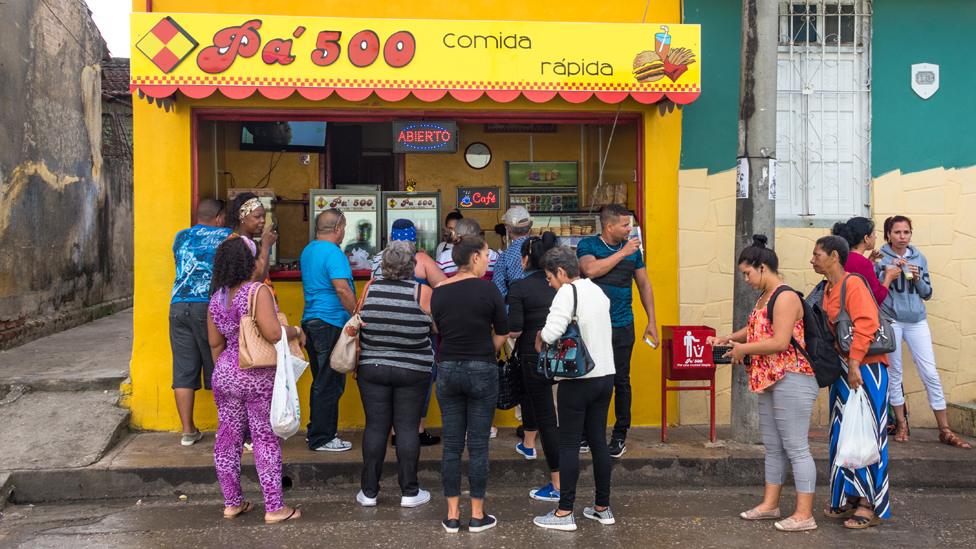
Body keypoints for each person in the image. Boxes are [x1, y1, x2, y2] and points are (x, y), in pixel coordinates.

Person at [708, 235, 819, 532]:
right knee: (773, 447)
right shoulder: (764, 298)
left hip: (791, 377)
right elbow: (757, 328)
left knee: (796, 448)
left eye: (747, 272)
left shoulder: (785, 296)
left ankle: (804, 514)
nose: (745, 279)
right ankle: (770, 505)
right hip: (769, 378)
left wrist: (742, 350)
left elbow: (780, 341)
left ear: (763, 267)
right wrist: (730, 338)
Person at [207, 237, 302, 524]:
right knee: (264, 438)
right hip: (257, 375)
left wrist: (227, 373)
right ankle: (274, 508)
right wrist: (297, 330)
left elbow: (214, 343)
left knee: (227, 438)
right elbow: (274, 334)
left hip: (225, 372)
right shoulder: (256, 291)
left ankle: (232, 503)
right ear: (249, 261)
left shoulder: (216, 297)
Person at [531, 246, 615, 532]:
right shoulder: (597, 290)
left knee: (568, 444)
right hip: (605, 376)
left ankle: (564, 511)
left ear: (562, 272)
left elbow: (554, 332)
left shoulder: (568, 292)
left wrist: (539, 336)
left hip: (577, 380)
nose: (550, 283)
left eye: (550, 277)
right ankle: (602, 507)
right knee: (598, 442)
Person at [811, 235, 891, 529]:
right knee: (844, 433)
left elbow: (867, 322)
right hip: (845, 369)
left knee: (867, 433)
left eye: (817, 254)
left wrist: (855, 362)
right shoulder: (828, 288)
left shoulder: (853, 283)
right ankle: (851, 497)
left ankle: (868, 503)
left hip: (865, 369)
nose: (812, 259)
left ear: (834, 255)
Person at [430, 235, 509, 533]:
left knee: (451, 445)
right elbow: (503, 331)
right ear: (474, 257)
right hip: (481, 368)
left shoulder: (438, 292)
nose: (488, 260)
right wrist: (485, 349)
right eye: (487, 254)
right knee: (477, 446)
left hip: (448, 368)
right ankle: (477, 514)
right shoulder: (488, 290)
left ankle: (452, 515)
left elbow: (439, 328)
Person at [351, 241, 435, 508]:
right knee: (407, 428)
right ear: (411, 265)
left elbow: (358, 321)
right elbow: (436, 327)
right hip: (413, 369)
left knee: (375, 427)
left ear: (383, 265)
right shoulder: (423, 291)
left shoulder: (370, 288)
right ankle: (409, 492)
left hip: (372, 368)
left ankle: (369, 492)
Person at [877, 216, 971, 449]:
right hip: (892, 320)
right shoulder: (879, 259)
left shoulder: (919, 258)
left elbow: (927, 293)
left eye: (906, 232)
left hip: (917, 320)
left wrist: (917, 279)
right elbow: (876, 292)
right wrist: (887, 274)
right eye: (897, 232)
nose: (902, 237)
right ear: (888, 234)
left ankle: (944, 429)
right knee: (895, 374)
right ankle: (901, 423)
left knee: (930, 372)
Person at [577, 204, 659, 458]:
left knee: (620, 380)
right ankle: (588, 434)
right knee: (589, 379)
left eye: (630, 224)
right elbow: (590, 270)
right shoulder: (589, 245)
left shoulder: (634, 251)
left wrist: (652, 321)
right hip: (592, 327)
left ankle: (620, 434)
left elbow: (644, 285)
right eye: (625, 224)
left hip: (623, 325)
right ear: (609, 226)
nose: (630, 229)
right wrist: (622, 253)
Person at [371, 219, 445, 446]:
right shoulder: (421, 259)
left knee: (387, 384)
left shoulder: (376, 260)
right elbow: (443, 285)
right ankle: (417, 429)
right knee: (422, 378)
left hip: (381, 332)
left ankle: (393, 430)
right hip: (417, 331)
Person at [170, 199, 230, 446]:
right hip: (207, 305)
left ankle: (188, 431)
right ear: (218, 217)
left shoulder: (181, 236)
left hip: (177, 304)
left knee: (183, 369)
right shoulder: (227, 236)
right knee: (220, 365)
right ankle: (226, 428)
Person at [506, 232, 560, 501]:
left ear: (526, 259)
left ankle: (531, 446)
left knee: (542, 412)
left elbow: (514, 329)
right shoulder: (564, 285)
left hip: (532, 354)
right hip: (566, 357)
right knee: (558, 415)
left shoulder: (519, 288)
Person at [301, 209, 358, 452]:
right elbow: (342, 289)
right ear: (337, 228)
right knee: (330, 382)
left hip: (312, 321)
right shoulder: (333, 252)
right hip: (330, 321)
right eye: (344, 228)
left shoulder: (309, 250)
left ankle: (317, 430)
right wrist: (357, 313)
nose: (344, 232)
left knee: (321, 379)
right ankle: (323, 438)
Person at [831, 217, 898, 307]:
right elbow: (877, 297)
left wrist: (870, 262)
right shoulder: (861, 262)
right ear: (866, 238)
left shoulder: (842, 257)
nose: (875, 237)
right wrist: (889, 277)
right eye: (873, 233)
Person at [370, 219, 446, 287]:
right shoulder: (422, 259)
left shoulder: (378, 258)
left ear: (390, 238)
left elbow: (373, 284)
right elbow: (443, 286)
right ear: (414, 241)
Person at [226, 193, 277, 283]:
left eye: (264, 216)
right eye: (257, 216)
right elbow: (256, 280)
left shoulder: (252, 244)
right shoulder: (236, 244)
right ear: (242, 217)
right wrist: (266, 246)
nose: (263, 220)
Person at [493, 206, 533, 297]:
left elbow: (499, 292)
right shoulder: (541, 249)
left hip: (514, 308)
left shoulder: (504, 257)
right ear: (529, 226)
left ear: (508, 229)